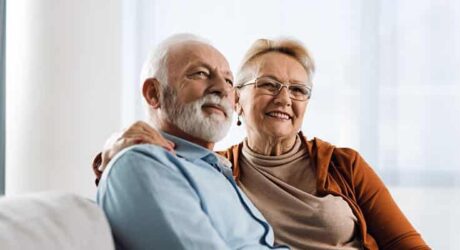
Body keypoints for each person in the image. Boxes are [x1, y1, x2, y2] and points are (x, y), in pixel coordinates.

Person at [94, 37, 431, 250]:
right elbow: (155, 171)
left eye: (298, 90)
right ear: (236, 101)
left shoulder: (343, 164)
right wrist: (114, 152)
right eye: (268, 85)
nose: (285, 98)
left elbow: (407, 244)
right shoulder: (218, 170)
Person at [96, 34, 288, 250]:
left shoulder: (218, 170)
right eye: (200, 74)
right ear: (153, 94)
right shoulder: (142, 163)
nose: (223, 89)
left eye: (228, 81)